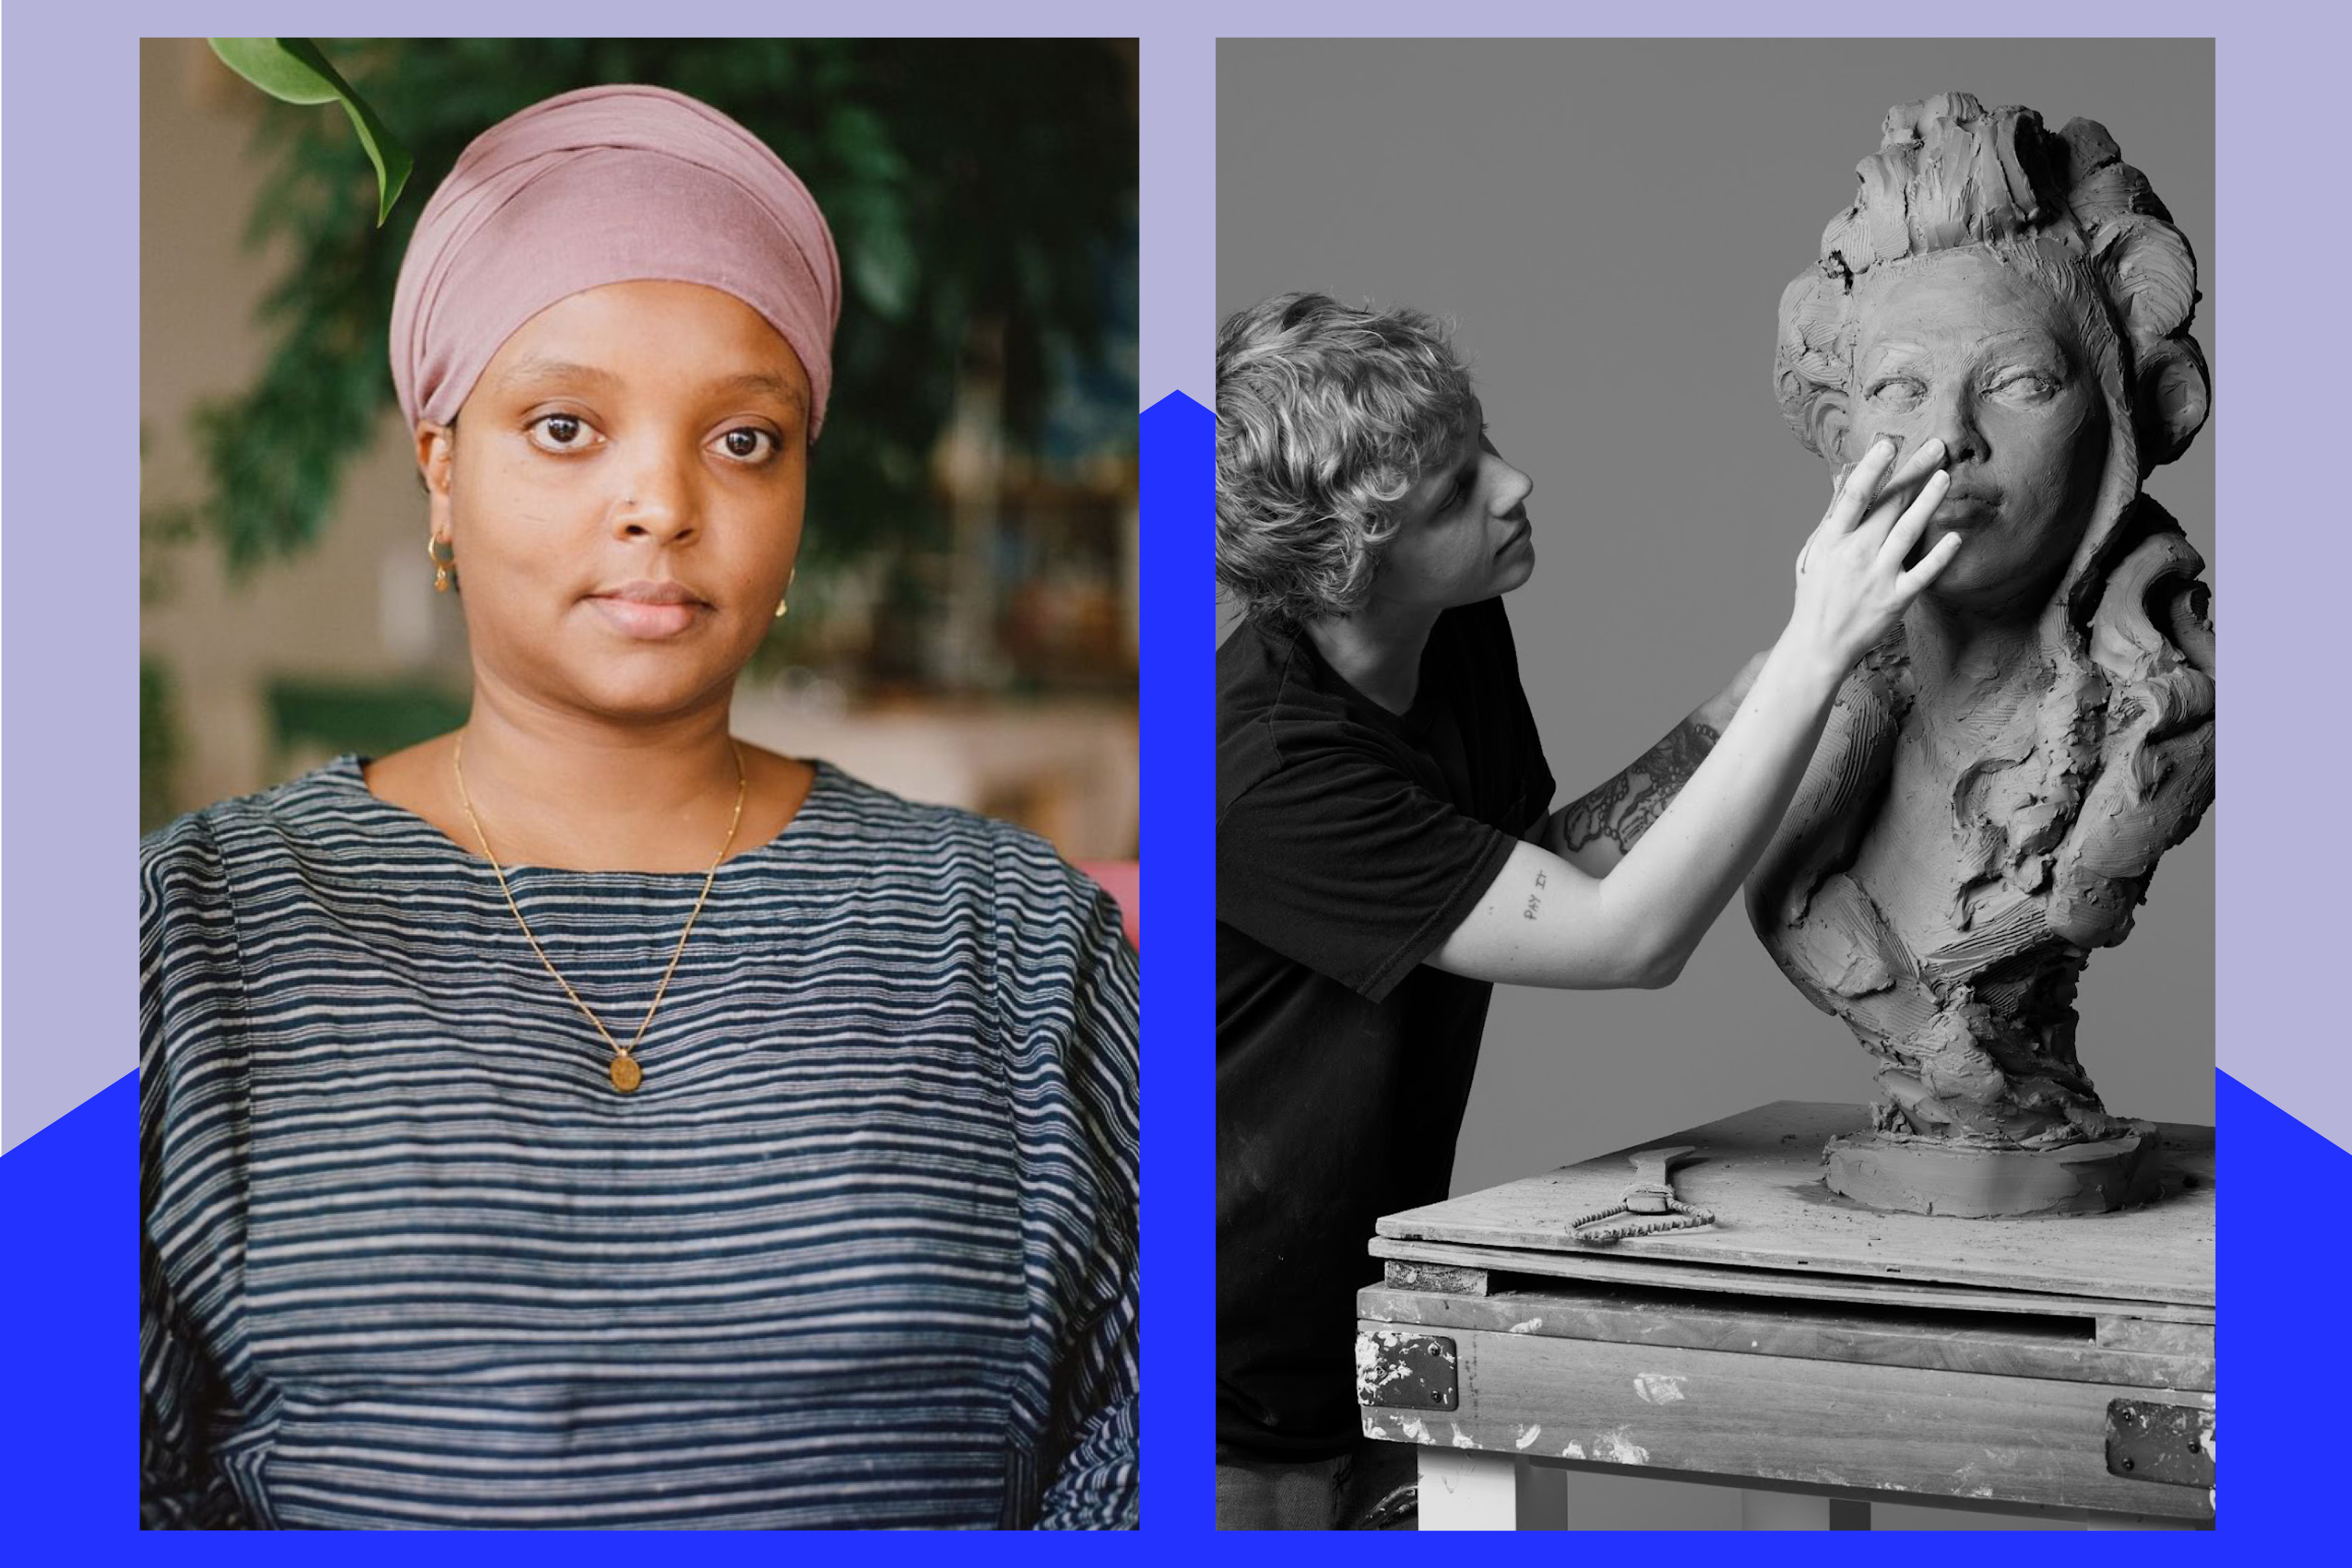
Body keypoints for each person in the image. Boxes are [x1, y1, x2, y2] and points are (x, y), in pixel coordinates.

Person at [140, 85, 1138, 1531]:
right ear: (439, 461)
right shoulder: (192, 930)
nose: (661, 501)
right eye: (564, 425)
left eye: (744, 440)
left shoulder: (1010, 929)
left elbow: (1154, 1415)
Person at [1212, 292, 1959, 1528]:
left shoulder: (1445, 629)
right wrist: (1820, 650)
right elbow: (1626, 936)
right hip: (1225, 1409)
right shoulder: (1260, 769)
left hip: (1372, 1331)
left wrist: (1802, 644)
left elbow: (1529, 877)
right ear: (1347, 562)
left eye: (1483, 440)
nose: (1513, 483)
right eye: (1457, 490)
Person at [1750, 92, 2214, 1162]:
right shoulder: (1837, 723)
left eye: (2016, 384)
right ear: (1840, 432)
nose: (1949, 439)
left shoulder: (2171, 723)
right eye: (1899, 389)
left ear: (2121, 426)